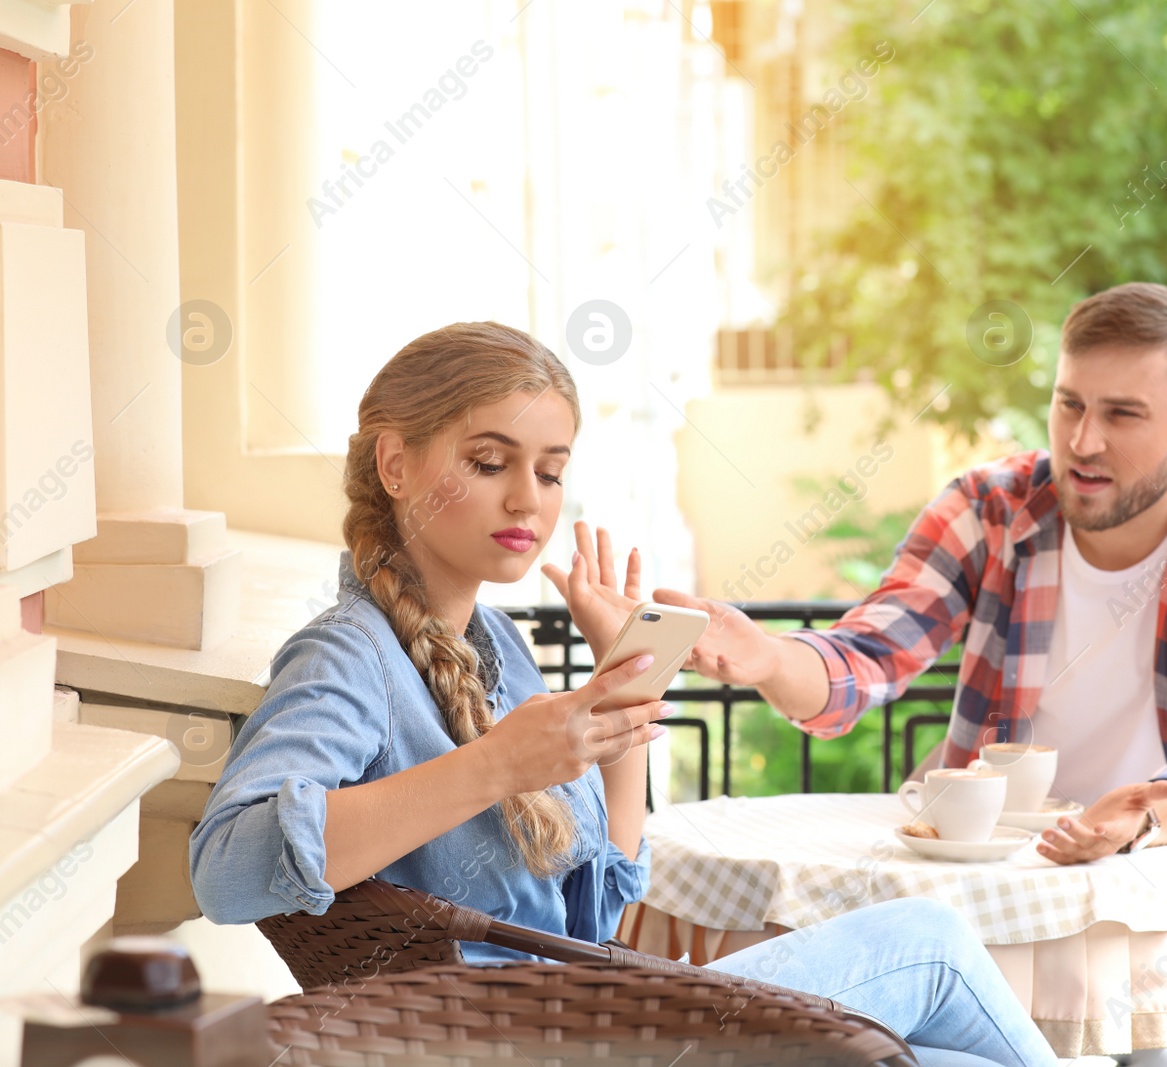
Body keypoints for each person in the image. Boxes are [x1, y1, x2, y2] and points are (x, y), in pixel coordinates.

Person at [188, 321, 1058, 1067]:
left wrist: (626, 697)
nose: (528, 497)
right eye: (490, 460)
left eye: (551, 470)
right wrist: (494, 765)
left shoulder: (498, 651)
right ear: (396, 464)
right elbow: (226, 869)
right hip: (541, 1044)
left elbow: (597, 908)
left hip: (587, 1020)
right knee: (931, 942)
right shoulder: (349, 656)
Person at [656, 283, 1167, 1064]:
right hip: (1003, 911)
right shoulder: (992, 506)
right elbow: (868, 654)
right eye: (1069, 404)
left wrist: (1141, 813)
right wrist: (768, 657)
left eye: (1122, 414)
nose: (1084, 440)